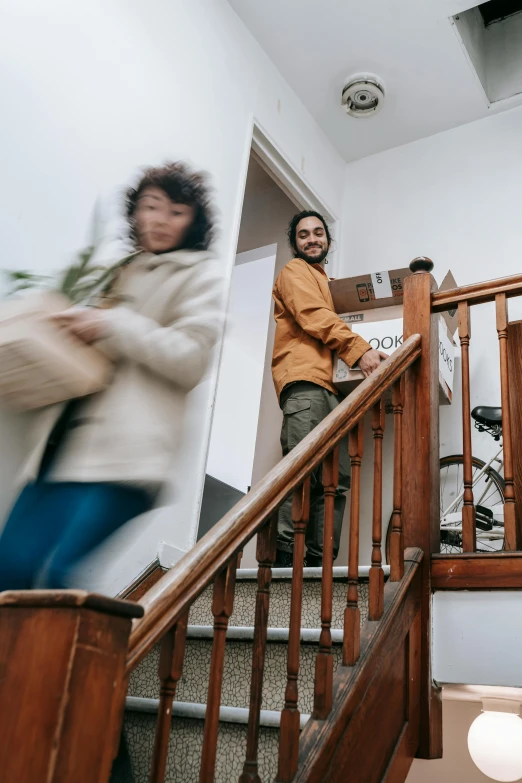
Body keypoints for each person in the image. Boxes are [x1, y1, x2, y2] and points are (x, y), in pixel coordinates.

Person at [0, 161, 223, 591]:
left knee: (55, 580)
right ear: (135, 211)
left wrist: (111, 325)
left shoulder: (199, 276)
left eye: (176, 212)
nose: (160, 219)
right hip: (59, 448)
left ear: (193, 222)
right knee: (9, 573)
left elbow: (191, 358)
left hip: (123, 459)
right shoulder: (119, 270)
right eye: (152, 206)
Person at [271, 210, 386, 568]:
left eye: (318, 233)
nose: (312, 239)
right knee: (301, 472)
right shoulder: (295, 272)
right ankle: (285, 562)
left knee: (335, 482)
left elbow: (342, 317)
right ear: (295, 244)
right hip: (306, 384)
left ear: (328, 241)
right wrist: (360, 350)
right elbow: (313, 316)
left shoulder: (332, 286)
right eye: (303, 235)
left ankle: (319, 566)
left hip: (336, 392)